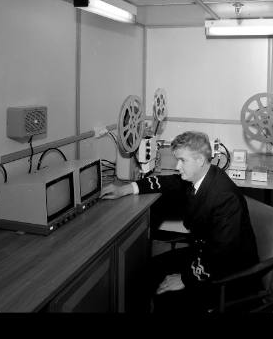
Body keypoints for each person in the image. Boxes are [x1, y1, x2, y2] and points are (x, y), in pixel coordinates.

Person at [101, 131, 259, 312]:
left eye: (182, 160)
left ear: (199, 160)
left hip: (229, 272)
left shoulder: (225, 198)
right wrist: (127, 189)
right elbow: (164, 182)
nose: (177, 167)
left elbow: (222, 255)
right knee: (149, 270)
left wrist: (185, 278)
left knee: (168, 297)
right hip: (206, 253)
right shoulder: (202, 175)